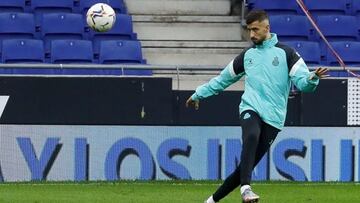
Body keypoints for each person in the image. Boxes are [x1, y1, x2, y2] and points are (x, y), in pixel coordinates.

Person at [186, 10, 329, 203]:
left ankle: (211, 201)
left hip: (274, 118)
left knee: (245, 167)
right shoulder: (247, 56)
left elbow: (304, 82)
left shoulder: (287, 54)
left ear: (267, 28)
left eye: (255, 29)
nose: (251, 35)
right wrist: (198, 94)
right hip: (250, 108)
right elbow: (222, 80)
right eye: (249, 30)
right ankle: (246, 189)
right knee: (251, 135)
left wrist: (312, 78)